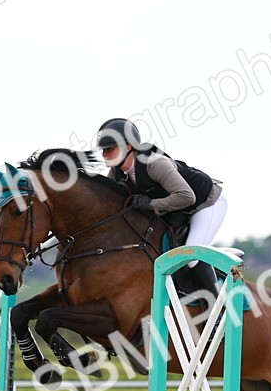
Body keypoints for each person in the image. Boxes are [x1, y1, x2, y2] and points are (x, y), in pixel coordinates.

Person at [96, 117, 226, 301]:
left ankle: (220, 308)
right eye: (103, 150)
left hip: (206, 203)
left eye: (110, 149)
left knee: (191, 257)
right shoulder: (117, 173)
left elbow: (187, 196)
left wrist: (151, 205)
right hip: (177, 210)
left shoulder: (154, 163)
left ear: (129, 146)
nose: (105, 154)